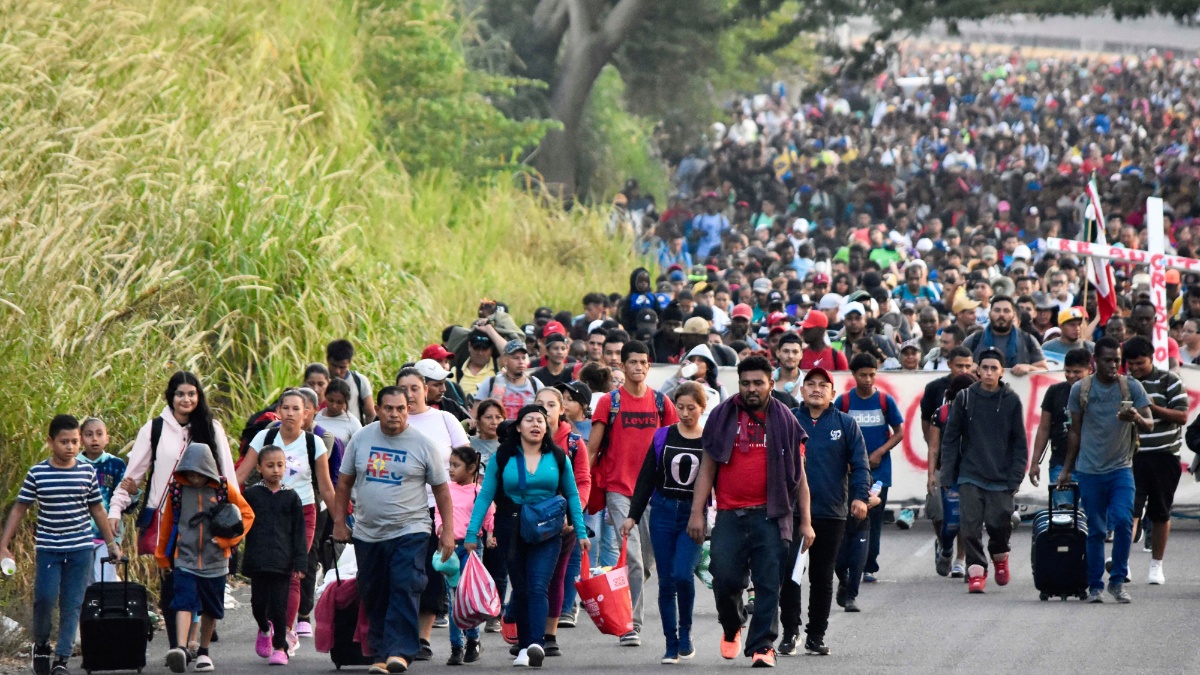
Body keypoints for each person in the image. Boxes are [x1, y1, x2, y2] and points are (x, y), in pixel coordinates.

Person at [687, 356, 813, 666]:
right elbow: (708, 467)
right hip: (730, 515)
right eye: (746, 383)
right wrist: (697, 512)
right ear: (738, 384)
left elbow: (800, 475)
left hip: (772, 516)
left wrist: (806, 522)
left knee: (769, 583)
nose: (752, 389)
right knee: (725, 578)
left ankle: (762, 646)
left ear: (771, 383)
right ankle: (732, 626)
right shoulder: (721, 417)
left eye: (758, 383)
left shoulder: (786, 420)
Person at [108, 371, 238, 652]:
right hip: (166, 518)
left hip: (206, 517)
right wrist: (115, 509)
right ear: (171, 397)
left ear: (198, 396)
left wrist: (234, 521)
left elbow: (227, 475)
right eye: (180, 394)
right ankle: (177, 647)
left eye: (192, 393)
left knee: (199, 581)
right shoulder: (154, 429)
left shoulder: (211, 428)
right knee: (172, 580)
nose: (186, 399)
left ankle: (193, 641)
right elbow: (134, 476)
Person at [333, 387, 455, 674]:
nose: (395, 414)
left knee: (404, 585)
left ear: (407, 409)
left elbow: (442, 491)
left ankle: (399, 652)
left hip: (410, 529)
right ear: (377, 408)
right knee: (373, 591)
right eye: (388, 408)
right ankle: (379, 654)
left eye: (400, 408)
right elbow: (344, 483)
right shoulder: (362, 439)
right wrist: (340, 522)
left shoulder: (423, 444)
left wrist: (447, 531)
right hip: (368, 532)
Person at [464, 405, 590, 668]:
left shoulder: (558, 457)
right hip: (510, 528)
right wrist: (472, 532)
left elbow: (573, 495)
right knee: (520, 589)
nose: (536, 425)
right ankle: (523, 646)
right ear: (518, 426)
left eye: (541, 421)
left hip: (547, 530)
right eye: (529, 420)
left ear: (547, 428)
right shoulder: (504, 456)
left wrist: (580, 531)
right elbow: (485, 495)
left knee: (537, 586)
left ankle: (535, 644)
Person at [0, 415, 123, 675]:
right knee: (44, 599)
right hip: (49, 549)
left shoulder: (86, 472)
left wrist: (111, 543)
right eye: (64, 441)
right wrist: (4, 544)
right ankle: (42, 644)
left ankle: (62, 660)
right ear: (50, 442)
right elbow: (20, 508)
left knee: (72, 602)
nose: (70, 447)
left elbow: (98, 509)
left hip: (80, 548)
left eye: (75, 441)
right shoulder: (38, 473)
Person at [588, 340, 679, 647]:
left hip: (655, 493)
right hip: (619, 490)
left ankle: (627, 587)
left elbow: (675, 445)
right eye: (632, 362)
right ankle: (631, 624)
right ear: (622, 366)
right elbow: (592, 449)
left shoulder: (660, 403)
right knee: (634, 559)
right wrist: (582, 492)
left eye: (643, 362)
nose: (638, 367)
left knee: (649, 561)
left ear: (648, 366)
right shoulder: (609, 402)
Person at [236, 389, 336, 655]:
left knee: (294, 573)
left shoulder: (315, 444)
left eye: (296, 409)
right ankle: (266, 626)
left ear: (306, 414)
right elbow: (241, 476)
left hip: (302, 511)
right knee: (264, 571)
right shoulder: (264, 437)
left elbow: (326, 488)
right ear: (278, 412)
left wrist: (341, 522)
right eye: (286, 408)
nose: (291, 414)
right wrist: (225, 507)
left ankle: (286, 633)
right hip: (265, 511)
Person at [1057, 337, 1153, 603]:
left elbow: (1150, 423)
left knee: (1124, 522)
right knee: (1096, 530)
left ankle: (1118, 580)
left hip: (1121, 468)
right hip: (1089, 470)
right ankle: (1095, 585)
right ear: (1095, 361)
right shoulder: (1081, 389)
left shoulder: (1131, 386)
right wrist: (1067, 469)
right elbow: (1074, 432)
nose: (1113, 365)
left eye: (1116, 360)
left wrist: (1135, 416)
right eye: (1107, 360)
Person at [619, 383, 707, 664]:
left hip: (694, 517)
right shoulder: (662, 436)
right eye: (679, 407)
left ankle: (686, 633)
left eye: (691, 408)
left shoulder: (710, 440)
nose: (684, 413)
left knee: (683, 574)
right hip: (663, 512)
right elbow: (646, 477)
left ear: (702, 408)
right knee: (666, 581)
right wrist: (632, 515)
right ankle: (671, 643)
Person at [783, 368, 869, 655]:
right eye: (810, 384)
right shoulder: (789, 421)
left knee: (821, 577)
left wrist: (859, 497)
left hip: (832, 512)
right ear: (802, 390)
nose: (816, 389)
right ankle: (790, 632)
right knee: (790, 575)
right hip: (792, 513)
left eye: (823, 385)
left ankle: (815, 636)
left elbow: (860, 465)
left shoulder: (846, 424)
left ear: (833, 393)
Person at [156, 442, 255, 673]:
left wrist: (227, 542)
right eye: (190, 472)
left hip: (216, 560)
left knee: (211, 608)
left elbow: (247, 514)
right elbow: (168, 523)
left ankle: (203, 651)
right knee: (183, 602)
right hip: (185, 557)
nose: (195, 478)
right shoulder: (177, 490)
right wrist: (162, 557)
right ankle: (180, 649)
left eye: (199, 473)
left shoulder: (222, 487)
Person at [394, 367, 471, 660]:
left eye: (415, 388)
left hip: (437, 508)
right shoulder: (389, 422)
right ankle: (401, 633)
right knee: (402, 573)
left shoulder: (444, 419)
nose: (410, 395)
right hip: (399, 509)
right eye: (404, 388)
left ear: (425, 389)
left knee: (431, 572)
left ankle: (422, 638)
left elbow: (467, 461)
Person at [939, 348, 1028, 594]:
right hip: (970, 474)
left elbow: (1020, 442)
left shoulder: (1011, 400)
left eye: (994, 368)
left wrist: (1016, 476)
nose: (988, 373)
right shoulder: (965, 398)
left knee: (999, 522)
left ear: (1001, 372)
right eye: (985, 368)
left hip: (1001, 476)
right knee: (969, 525)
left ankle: (1000, 556)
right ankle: (976, 570)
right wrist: (947, 473)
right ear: (977, 370)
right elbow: (951, 438)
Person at [1123, 336, 1188, 585]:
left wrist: (1150, 408)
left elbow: (1182, 416)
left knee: (1160, 512)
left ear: (1151, 358)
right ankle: (1123, 563)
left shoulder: (1168, 380)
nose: (1136, 368)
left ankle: (1156, 566)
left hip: (1164, 455)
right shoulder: (1124, 383)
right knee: (1129, 511)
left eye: (1140, 363)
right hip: (1131, 456)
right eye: (1131, 364)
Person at [533, 387, 591, 655]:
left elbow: (582, 481)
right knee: (527, 577)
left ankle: (549, 634)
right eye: (539, 404)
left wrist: (572, 513)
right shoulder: (521, 439)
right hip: (527, 520)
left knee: (556, 575)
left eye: (551, 405)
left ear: (561, 409)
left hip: (563, 521)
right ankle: (527, 630)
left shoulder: (573, 443)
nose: (545, 410)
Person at [837, 353, 902, 585]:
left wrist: (880, 452)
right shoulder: (843, 402)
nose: (867, 379)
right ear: (853, 375)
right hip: (850, 473)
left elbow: (899, 432)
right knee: (847, 518)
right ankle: (844, 564)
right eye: (863, 375)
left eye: (872, 374)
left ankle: (869, 565)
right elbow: (834, 432)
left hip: (879, 473)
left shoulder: (885, 401)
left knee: (872, 519)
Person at [242, 446, 308, 666]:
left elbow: (299, 532)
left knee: (280, 606)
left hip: (283, 561)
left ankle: (281, 647)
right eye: (270, 465)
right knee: (258, 604)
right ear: (259, 468)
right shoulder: (251, 495)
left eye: (280, 465)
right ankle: (263, 627)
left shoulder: (291, 496)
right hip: (258, 560)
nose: (276, 470)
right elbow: (241, 525)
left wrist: (300, 563)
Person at [434, 447, 493, 665]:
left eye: (456, 465)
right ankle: (456, 646)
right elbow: (439, 512)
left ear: (471, 468)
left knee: (469, 596)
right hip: (451, 547)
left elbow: (489, 514)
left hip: (472, 548)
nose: (450, 469)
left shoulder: (479, 491)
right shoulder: (446, 489)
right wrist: (440, 528)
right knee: (454, 598)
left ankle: (473, 640)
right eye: (449, 464)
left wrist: (490, 535)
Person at [926, 372, 978, 578]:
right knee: (940, 515)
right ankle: (944, 546)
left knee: (967, 519)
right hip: (944, 471)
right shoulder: (941, 414)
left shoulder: (980, 412)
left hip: (970, 473)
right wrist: (931, 474)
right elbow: (933, 448)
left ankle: (961, 559)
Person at [1029, 348, 1092, 505]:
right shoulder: (1054, 391)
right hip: (1059, 463)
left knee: (1090, 518)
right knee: (1063, 519)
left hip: (1092, 467)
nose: (1071, 376)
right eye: (1068, 371)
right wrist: (1035, 462)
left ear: (1089, 370)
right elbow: (1044, 428)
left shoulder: (1097, 393)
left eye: (1077, 372)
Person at [78, 417, 126, 585]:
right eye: (89, 434)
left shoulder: (116, 465)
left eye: (99, 434)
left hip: (108, 536)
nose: (94, 439)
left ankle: (108, 612)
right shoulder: (74, 465)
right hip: (80, 535)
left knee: (107, 583)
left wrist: (134, 493)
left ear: (107, 438)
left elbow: (126, 502)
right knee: (83, 584)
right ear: (81, 438)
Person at [961, 296, 1048, 374]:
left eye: (1006, 311)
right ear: (989, 314)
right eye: (997, 310)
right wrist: (969, 368)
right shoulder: (974, 340)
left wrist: (1029, 368)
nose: (1001, 314)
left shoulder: (1028, 340)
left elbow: (1044, 369)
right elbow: (957, 367)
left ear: (1013, 315)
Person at [476, 339, 544, 419]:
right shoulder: (491, 383)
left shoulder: (535, 384)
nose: (521, 361)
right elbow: (475, 415)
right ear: (505, 360)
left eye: (523, 357)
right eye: (516, 358)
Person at [326, 339, 376, 425]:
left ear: (349, 363)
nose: (337, 371)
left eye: (342, 367)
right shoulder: (320, 382)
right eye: (334, 365)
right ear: (327, 360)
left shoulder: (359, 381)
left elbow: (370, 414)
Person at [315, 378, 363, 447]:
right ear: (325, 396)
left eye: (339, 402)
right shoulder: (316, 417)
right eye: (331, 400)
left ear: (346, 402)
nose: (334, 406)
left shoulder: (353, 423)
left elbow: (360, 448)